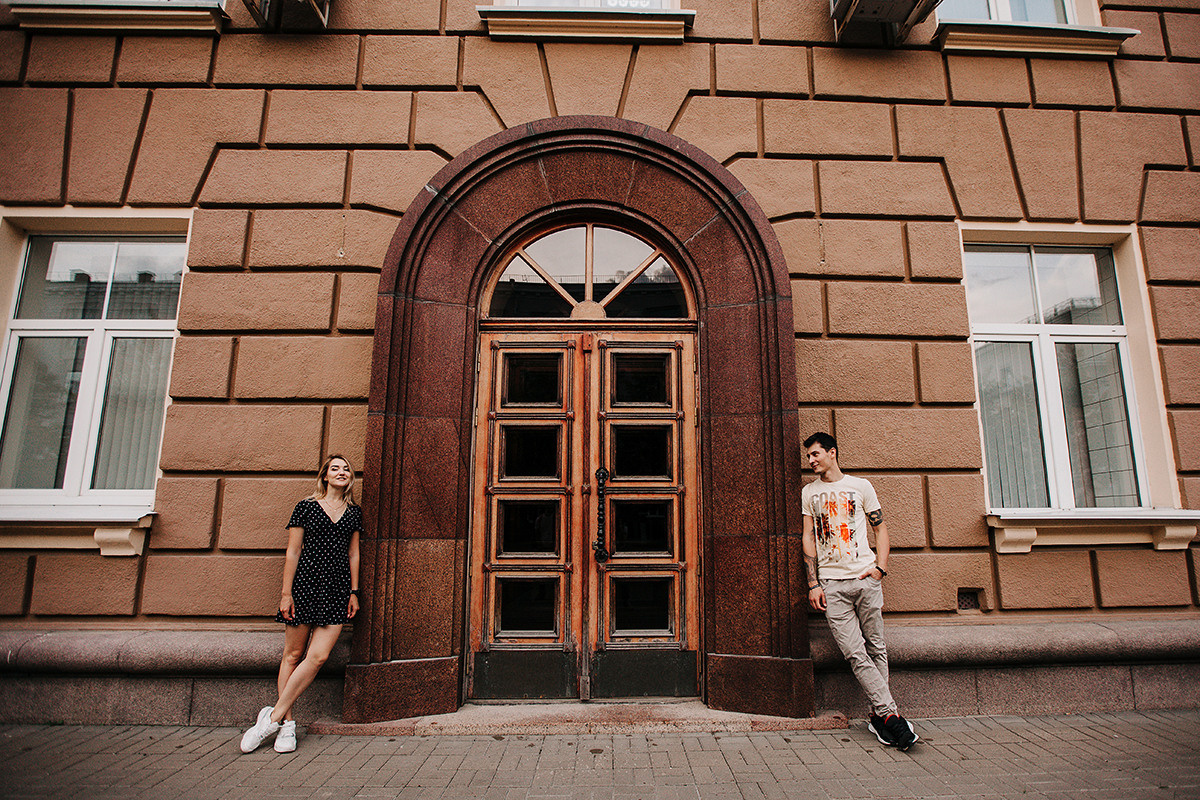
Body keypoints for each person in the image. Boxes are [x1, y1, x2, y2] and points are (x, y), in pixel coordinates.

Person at [800, 432, 918, 751]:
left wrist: (880, 568)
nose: (810, 460)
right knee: (855, 652)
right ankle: (891, 717)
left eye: (815, 454)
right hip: (833, 586)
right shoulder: (809, 492)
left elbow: (880, 529)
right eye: (808, 456)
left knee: (876, 647)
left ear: (832, 453)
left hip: (865, 579)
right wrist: (813, 583)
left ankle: (880, 717)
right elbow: (808, 538)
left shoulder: (861, 486)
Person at [240, 454, 363, 754]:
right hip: (305, 586)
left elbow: (354, 555)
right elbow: (293, 552)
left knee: (318, 657)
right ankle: (287, 726)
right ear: (324, 476)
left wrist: (354, 591)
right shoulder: (305, 507)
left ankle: (272, 717)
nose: (341, 472)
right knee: (293, 655)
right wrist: (286, 594)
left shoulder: (354, 513)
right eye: (335, 468)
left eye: (346, 469)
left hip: (336, 590)